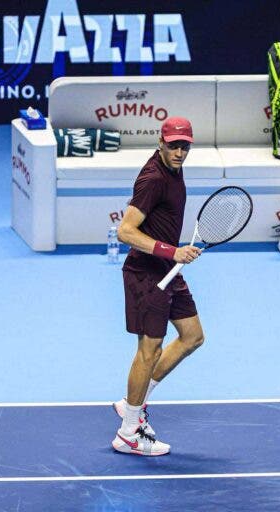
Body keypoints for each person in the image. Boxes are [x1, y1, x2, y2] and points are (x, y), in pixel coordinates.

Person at [111, 116, 204, 456]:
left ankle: (132, 405)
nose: (179, 151)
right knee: (148, 350)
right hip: (146, 273)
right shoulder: (153, 179)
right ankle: (128, 433)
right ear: (160, 143)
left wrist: (173, 257)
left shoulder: (174, 169)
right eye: (174, 145)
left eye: (185, 145)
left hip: (167, 270)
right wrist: (173, 250)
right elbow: (126, 232)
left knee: (192, 336)